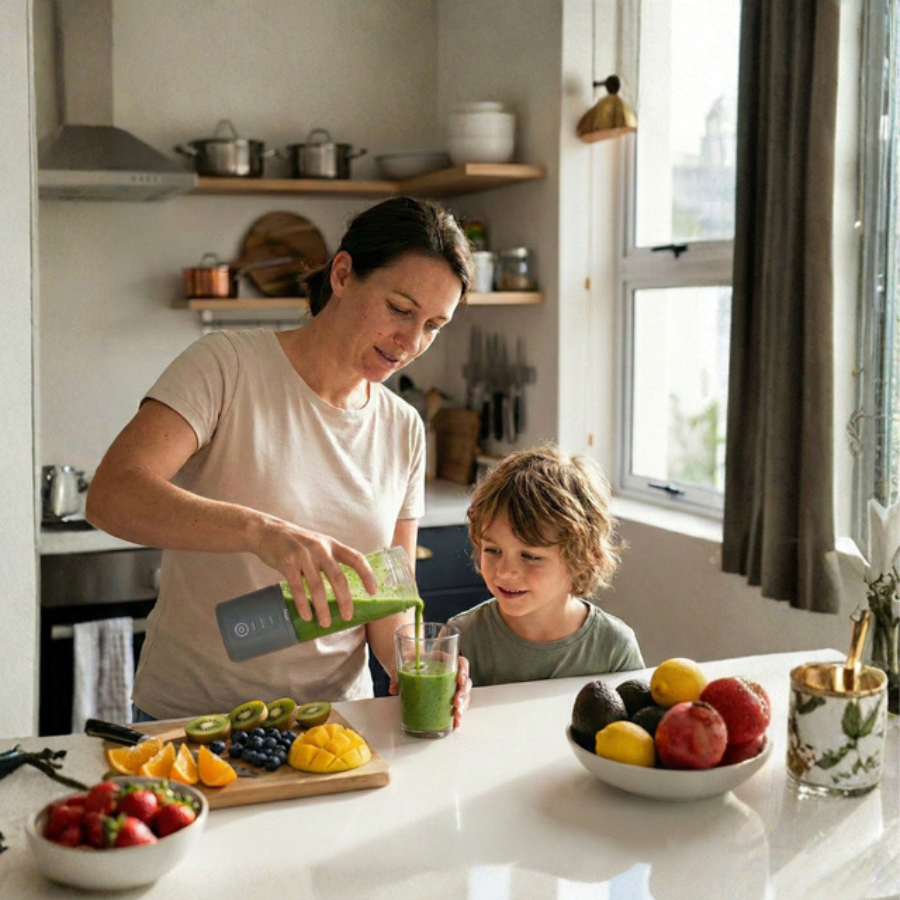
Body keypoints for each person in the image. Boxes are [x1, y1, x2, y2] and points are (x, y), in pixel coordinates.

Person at [86, 196, 474, 724]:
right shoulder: (227, 366)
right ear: (343, 274)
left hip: (333, 724)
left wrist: (417, 665)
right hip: (194, 721)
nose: (410, 342)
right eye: (400, 310)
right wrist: (261, 532)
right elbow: (112, 494)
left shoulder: (403, 427)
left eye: (433, 325)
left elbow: (389, 596)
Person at [448, 443, 644, 686]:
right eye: (493, 550)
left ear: (583, 557)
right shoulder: (459, 638)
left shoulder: (615, 648)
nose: (505, 571)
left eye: (530, 556)